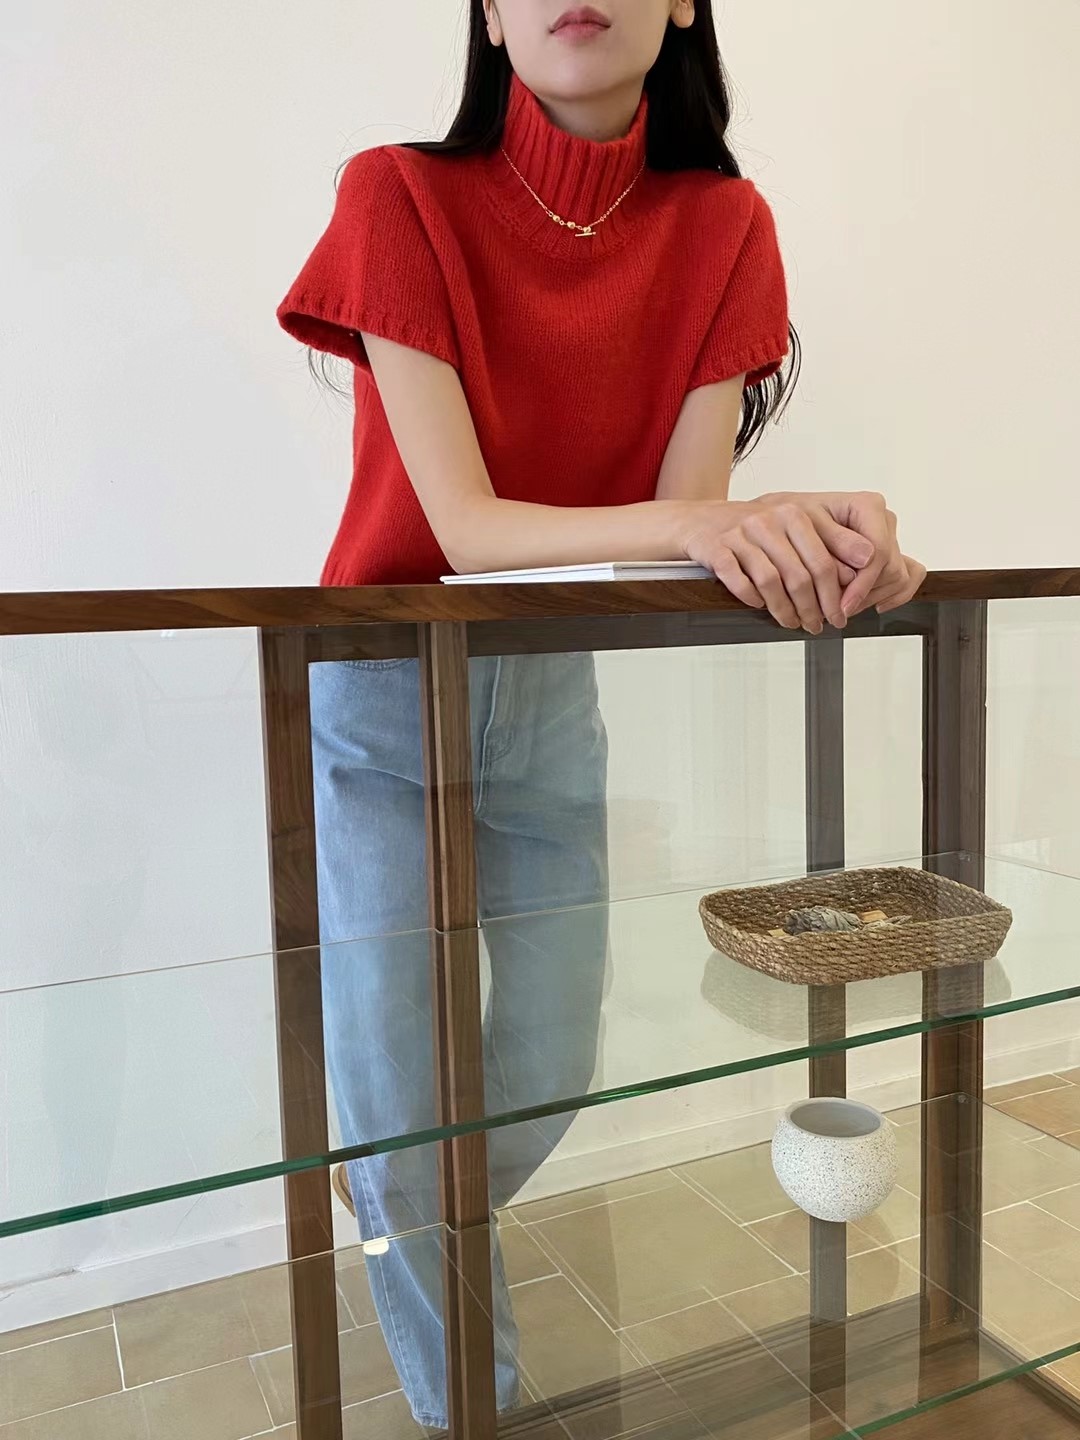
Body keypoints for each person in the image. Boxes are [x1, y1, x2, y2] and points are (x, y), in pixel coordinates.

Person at [277, 0, 925, 1428]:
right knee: (399, 1087)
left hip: (553, 681)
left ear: (685, 1)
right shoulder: (398, 195)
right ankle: (473, 1404)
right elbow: (465, 527)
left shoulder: (723, 226)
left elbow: (678, 535)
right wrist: (719, 523)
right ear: (487, 13)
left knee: (550, 1058)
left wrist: (838, 546)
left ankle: (394, 1197)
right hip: (382, 680)